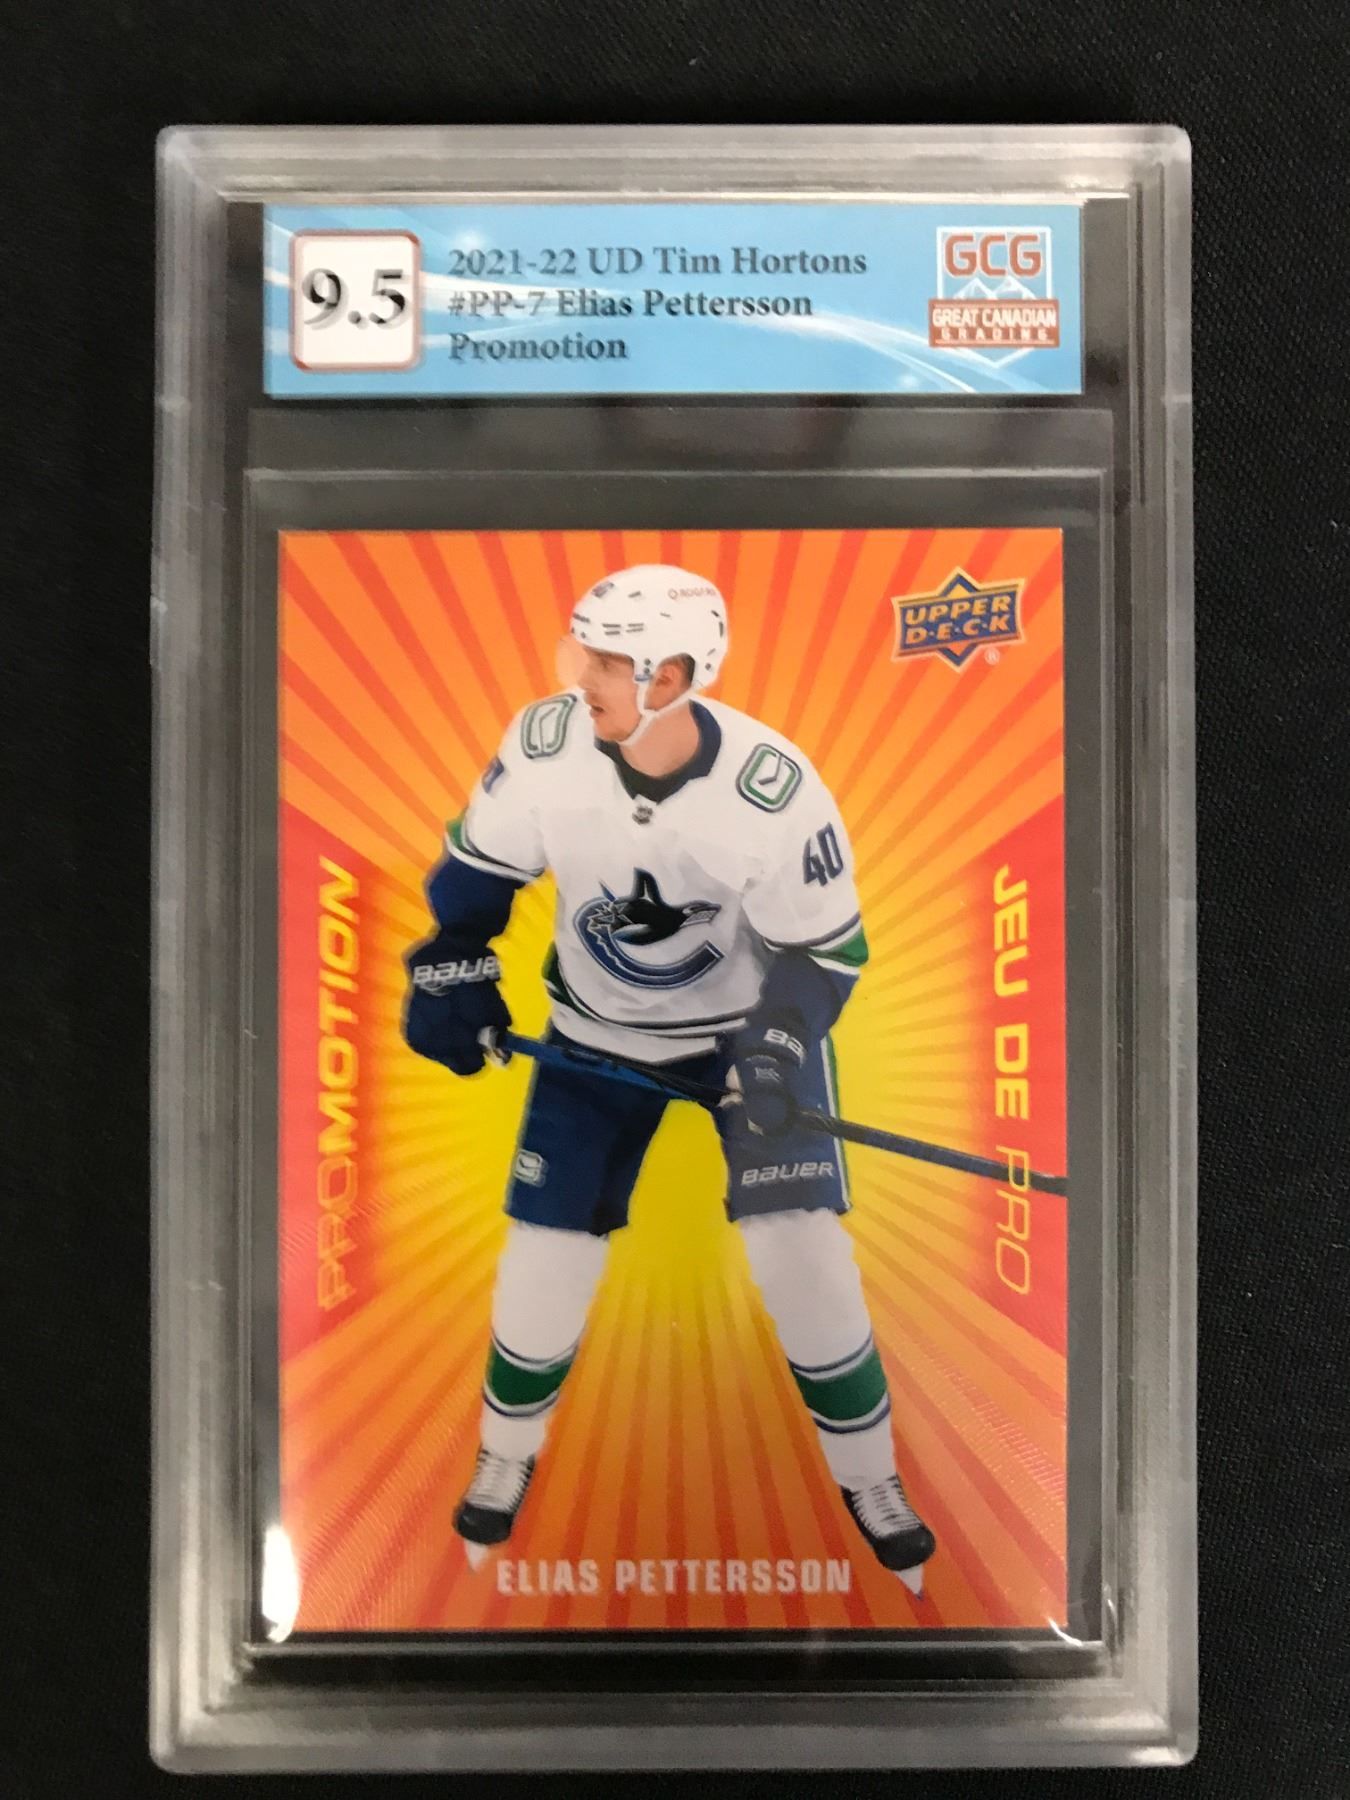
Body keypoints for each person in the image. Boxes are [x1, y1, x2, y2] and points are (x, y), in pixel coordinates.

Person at [402, 564, 936, 1589]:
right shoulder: (549, 743)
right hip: (593, 1031)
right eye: (584, 654)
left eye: (610, 662)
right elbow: (479, 874)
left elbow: (825, 954)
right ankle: (506, 1454)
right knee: (545, 1253)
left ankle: (872, 1477)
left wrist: (777, 1049)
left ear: (675, 675)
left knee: (803, 1253)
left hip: (747, 1035)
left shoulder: (774, 789)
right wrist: (453, 959)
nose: (583, 678)